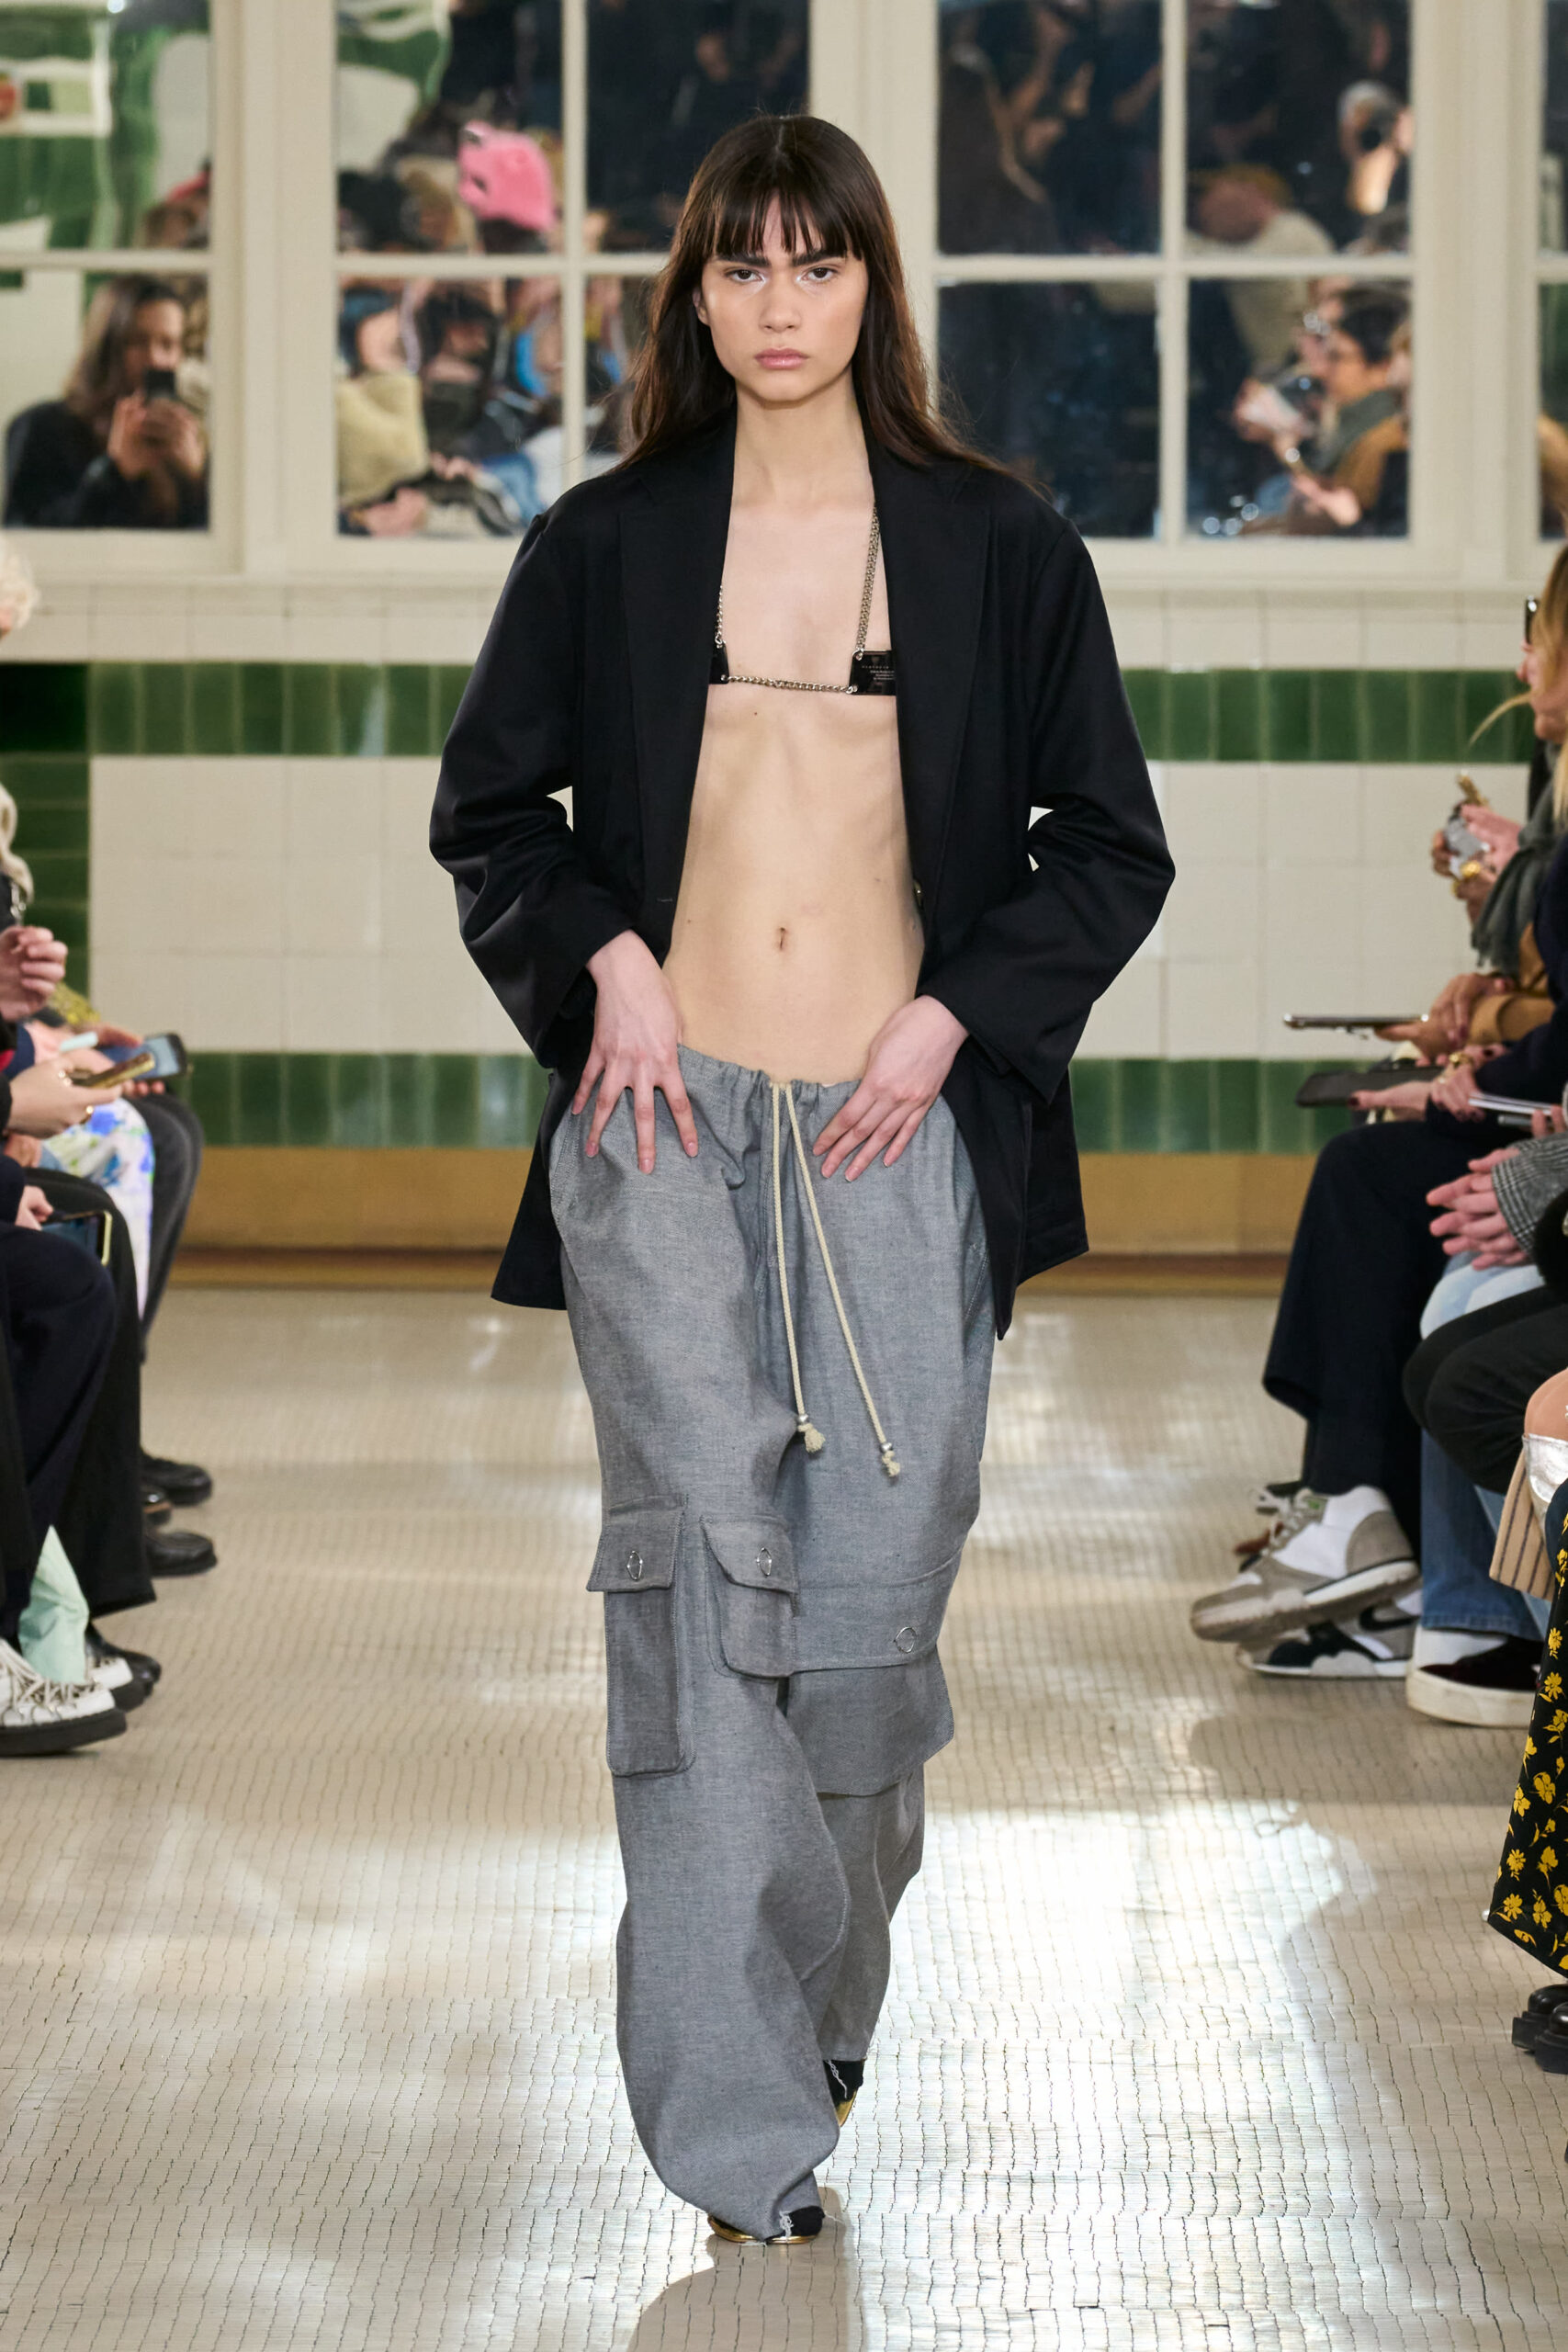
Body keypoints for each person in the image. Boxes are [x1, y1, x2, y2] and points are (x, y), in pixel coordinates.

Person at [432, 114, 1171, 2245]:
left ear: (869, 285)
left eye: (814, 262)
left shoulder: (996, 544)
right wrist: (603, 959)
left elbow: (1102, 843)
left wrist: (949, 1021)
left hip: (892, 1136)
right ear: (691, 291)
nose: (776, 303)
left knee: (860, 1617)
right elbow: (494, 814)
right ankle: (732, 2120)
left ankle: (810, 2007)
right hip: (660, 1130)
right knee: (699, 1598)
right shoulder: (601, 543)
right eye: (738, 265)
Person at [4, 277, 208, 531]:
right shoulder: (41, 428)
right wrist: (114, 472)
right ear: (106, 346)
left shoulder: (191, 439)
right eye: (137, 342)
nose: (155, 359)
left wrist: (198, 480)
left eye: (168, 344)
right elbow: (24, 536)